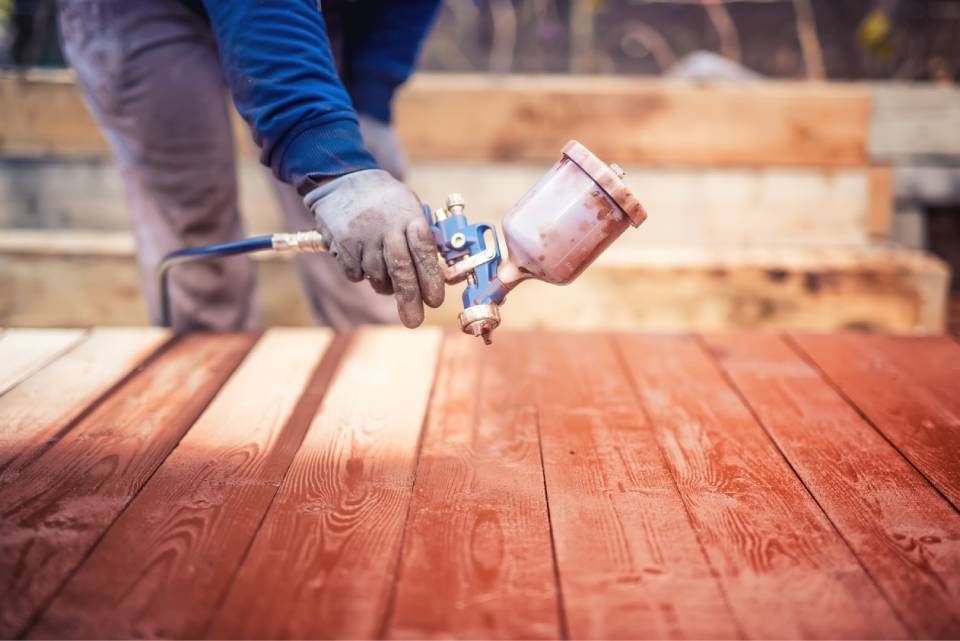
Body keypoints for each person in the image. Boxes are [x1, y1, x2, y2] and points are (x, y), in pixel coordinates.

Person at [57, 0, 445, 330]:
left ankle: (375, 376)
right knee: (197, 231)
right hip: (143, 10)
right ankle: (203, 374)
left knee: (365, 241)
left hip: (309, 11)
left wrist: (371, 95)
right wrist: (330, 158)